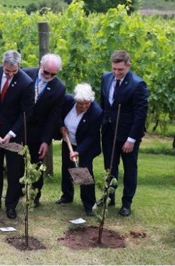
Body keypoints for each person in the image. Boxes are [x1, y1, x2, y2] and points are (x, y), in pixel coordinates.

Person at [0, 50, 35, 220]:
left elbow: (26, 113)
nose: (10, 75)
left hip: (14, 132)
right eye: (7, 71)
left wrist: (12, 133)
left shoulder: (26, 83)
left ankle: (11, 205)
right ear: (3, 65)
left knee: (13, 169)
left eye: (14, 72)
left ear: (18, 66)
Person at [100, 50, 148, 217]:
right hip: (108, 133)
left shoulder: (138, 84)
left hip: (128, 136)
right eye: (114, 69)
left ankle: (126, 202)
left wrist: (131, 139)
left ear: (128, 65)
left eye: (120, 69)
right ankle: (109, 196)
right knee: (110, 167)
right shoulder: (105, 78)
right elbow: (104, 104)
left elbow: (140, 115)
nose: (116, 73)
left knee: (129, 168)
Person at [23, 53, 66, 207]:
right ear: (40, 64)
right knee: (16, 162)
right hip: (19, 127)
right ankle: (17, 191)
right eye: (45, 72)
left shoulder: (59, 88)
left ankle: (35, 194)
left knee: (36, 163)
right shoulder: (25, 74)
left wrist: (46, 141)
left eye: (52, 74)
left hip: (39, 132)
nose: (48, 76)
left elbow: (53, 118)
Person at [57, 83, 103, 216]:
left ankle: (89, 204)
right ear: (75, 100)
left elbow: (91, 136)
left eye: (87, 103)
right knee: (67, 168)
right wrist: (60, 126)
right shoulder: (67, 101)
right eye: (80, 103)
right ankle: (67, 196)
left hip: (86, 146)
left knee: (83, 171)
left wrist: (79, 151)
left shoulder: (96, 112)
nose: (84, 106)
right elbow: (57, 114)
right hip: (69, 141)